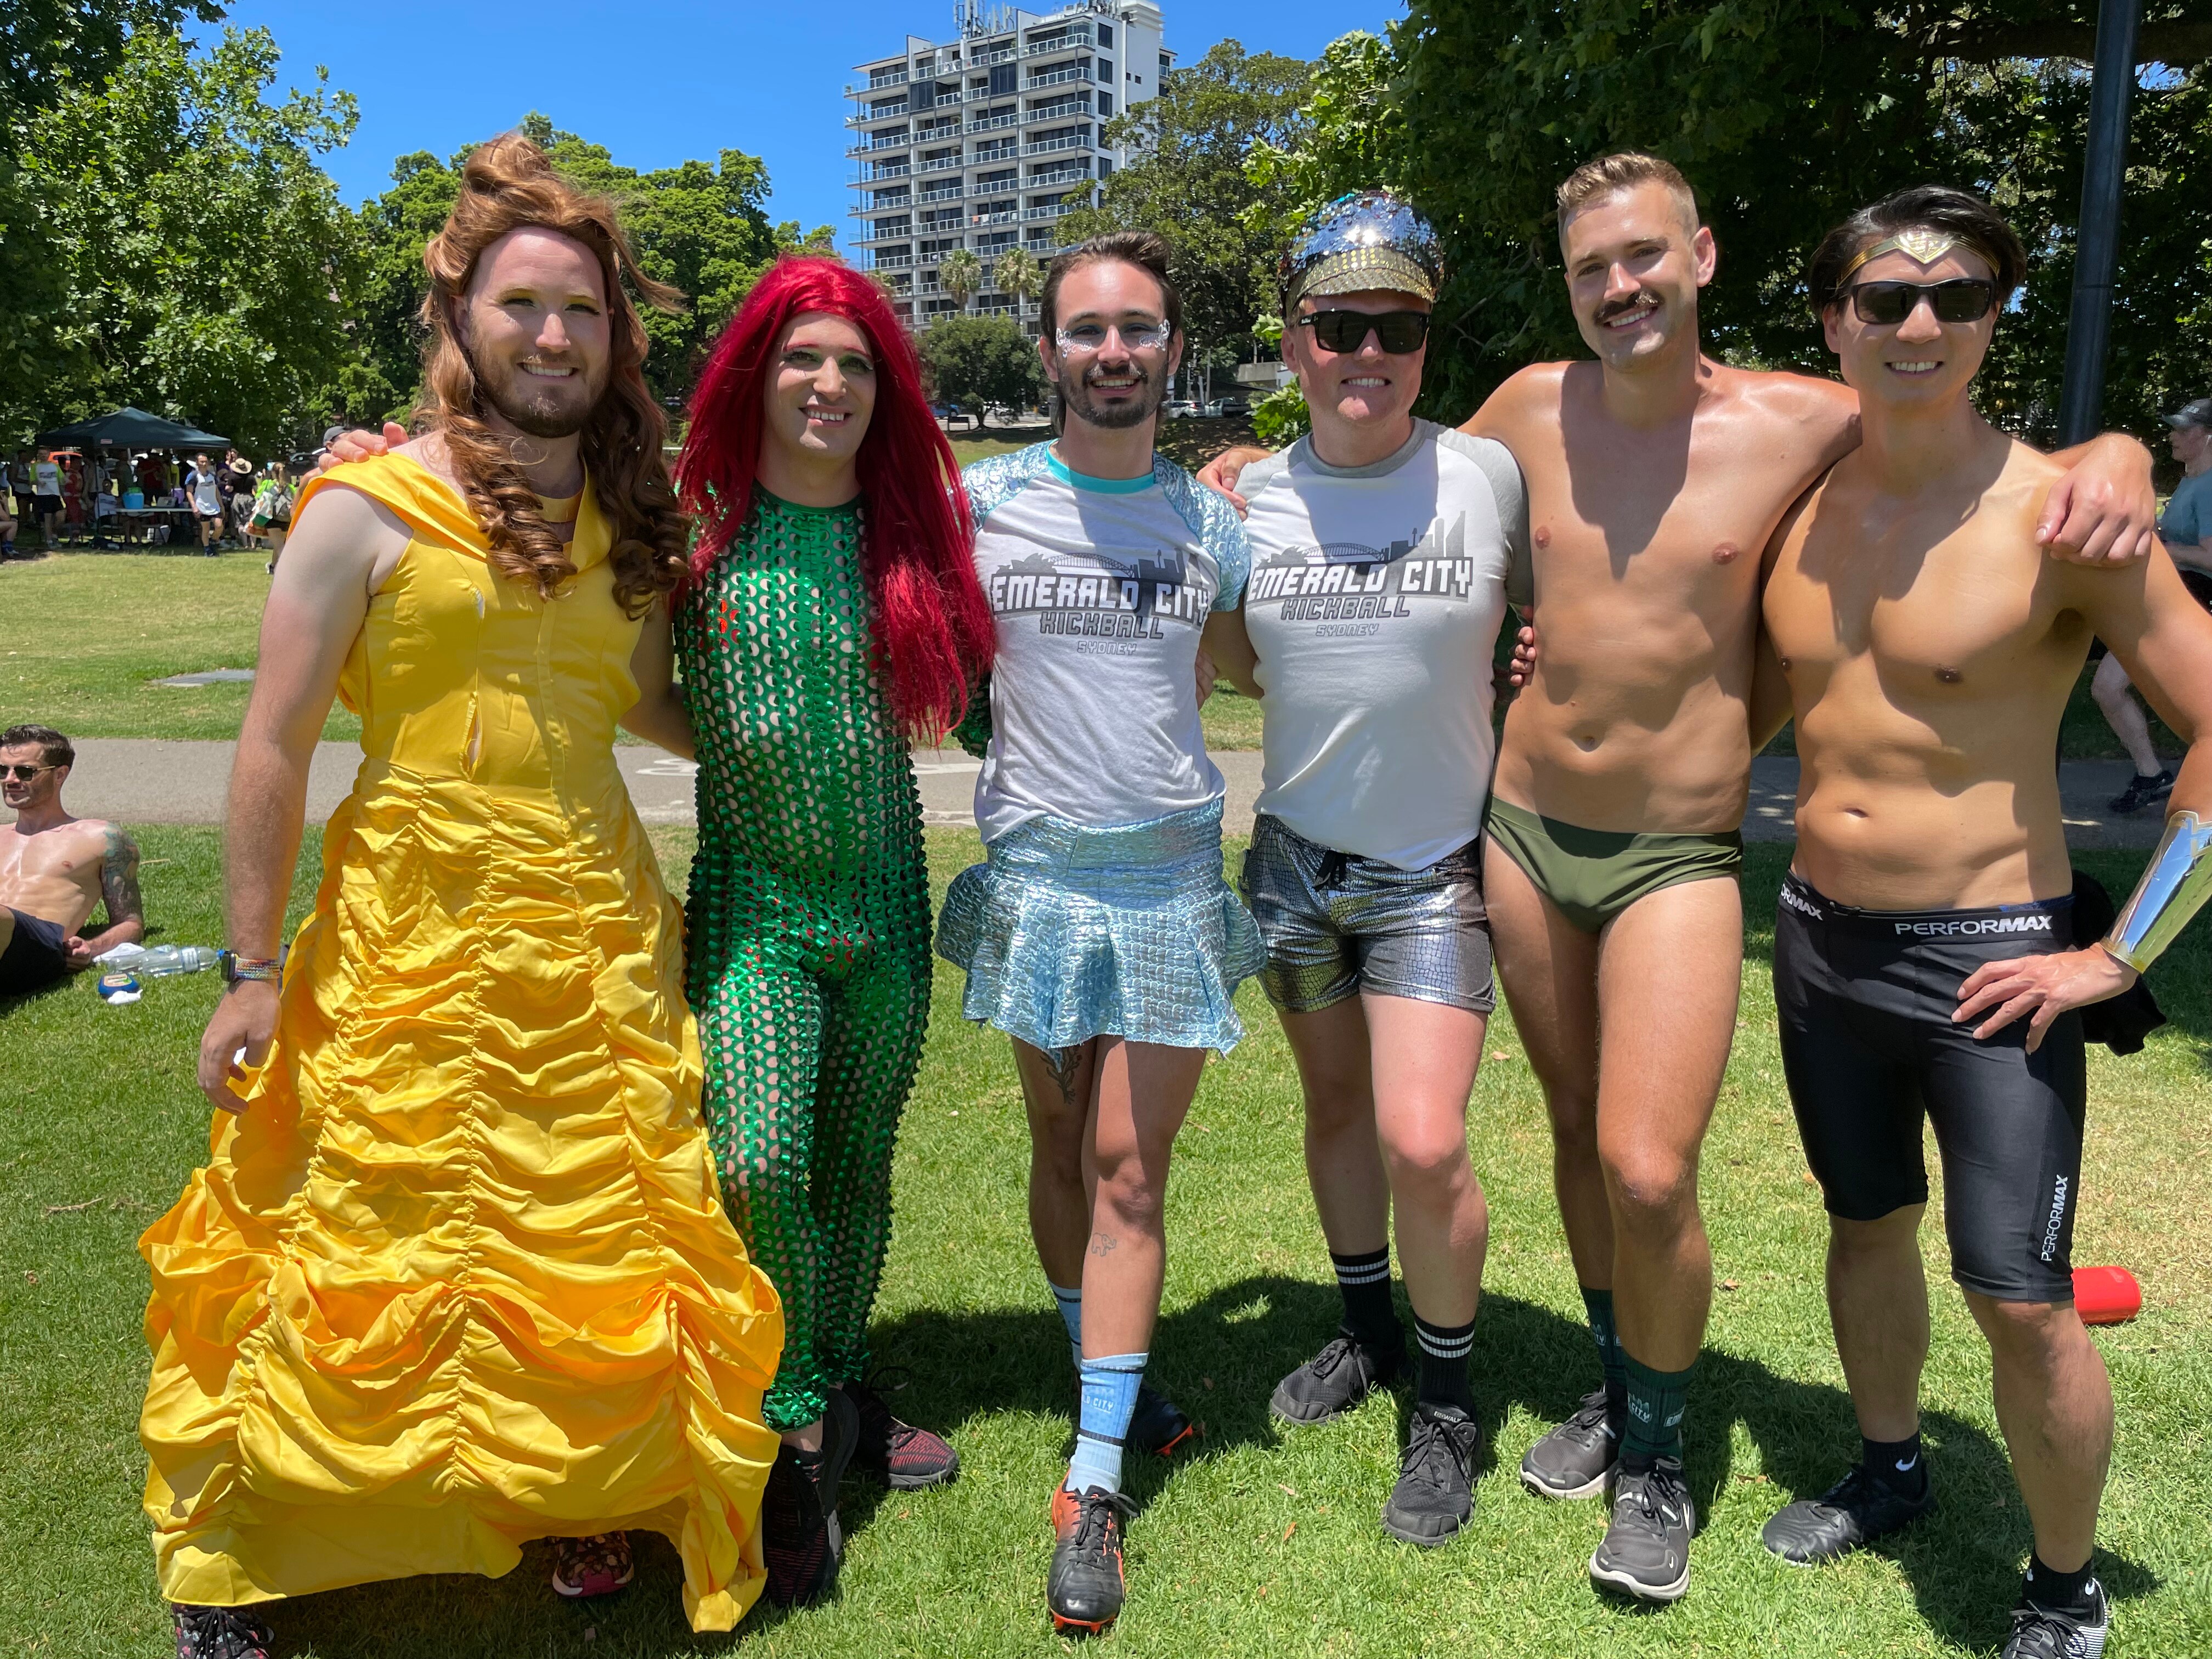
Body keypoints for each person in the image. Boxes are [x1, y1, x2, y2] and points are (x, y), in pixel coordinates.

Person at [1199, 150, 2157, 1605]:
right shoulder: (1521, 410)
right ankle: (1612, 1382)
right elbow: (1385, 472)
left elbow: (1952, 426)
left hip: (1678, 851)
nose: (1622, 286)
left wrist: (2119, 453)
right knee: (1581, 1135)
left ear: (1702, 256)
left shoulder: (1809, 417)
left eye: (1646, 256)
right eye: (1594, 268)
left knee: (1651, 1168)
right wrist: (1233, 474)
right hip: (1517, 828)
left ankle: (1657, 1454)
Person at [139, 135, 785, 1659]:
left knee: (588, 1232)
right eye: (523, 305)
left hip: (588, 928)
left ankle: (569, 1498)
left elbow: (632, 702)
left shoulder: (626, 523)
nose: (553, 335)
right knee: (355, 1225)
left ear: (619, 334)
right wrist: (246, 964)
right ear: (462, 319)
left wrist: (802, 716)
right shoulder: (358, 508)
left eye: (582, 309)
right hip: (406, 929)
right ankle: (246, 1553)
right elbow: (274, 742)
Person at [1753, 185, 2212, 1659]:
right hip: (1822, 941)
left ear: (1998, 317)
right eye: (1886, 297)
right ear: (1833, 319)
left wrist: (2119, 952)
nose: (1921, 323)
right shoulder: (1795, 498)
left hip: (1990, 960)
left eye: (1961, 296)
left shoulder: (2066, 512)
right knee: (1864, 1225)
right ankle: (1891, 1464)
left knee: (2019, 1295)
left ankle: (2065, 1584)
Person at [938, 230, 1259, 1635]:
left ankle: (1094, 1485)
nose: (1113, 352)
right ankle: (1111, 1377)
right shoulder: (979, 502)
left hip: (1175, 880)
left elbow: (1295, 645)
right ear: (1051, 349)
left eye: (1139, 329)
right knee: (1061, 1145)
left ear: (1173, 348)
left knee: (1130, 1163)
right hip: (1040, 883)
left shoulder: (1217, 523)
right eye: (1087, 331)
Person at [1198, 193, 1530, 1547]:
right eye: (1339, 324)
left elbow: (1555, 619)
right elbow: (1230, 658)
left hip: (1432, 870)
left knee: (1424, 1136)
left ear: (1426, 340)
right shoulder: (1248, 496)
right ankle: (1366, 1329)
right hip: (1291, 861)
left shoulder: (1492, 473)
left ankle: (1445, 1401)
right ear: (1293, 339)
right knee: (1337, 1115)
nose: (1367, 351)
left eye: (1395, 326)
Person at [669, 257, 995, 1602]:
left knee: (857, 1166)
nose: (830, 384)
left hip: (884, 905)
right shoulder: (689, 530)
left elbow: (989, 706)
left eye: (857, 365)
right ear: (759, 373)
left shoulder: (912, 535)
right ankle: (792, 1425)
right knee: (757, 1156)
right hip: (758, 912)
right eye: (805, 358)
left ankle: (843, 1387)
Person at [2094, 396, 2212, 812]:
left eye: (2184, 429)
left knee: (2110, 687)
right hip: (2170, 598)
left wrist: (2159, 547)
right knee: (2108, 688)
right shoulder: (2189, 480)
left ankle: (2162, 779)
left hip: (2195, 602)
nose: (2173, 436)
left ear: (2208, 436)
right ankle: (2152, 775)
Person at [1, 724, 144, 998]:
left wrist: (92, 948)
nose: (10, 779)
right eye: (2, 770)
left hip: (41, 944)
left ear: (60, 775)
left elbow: (131, 922)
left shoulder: (100, 837)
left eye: (24, 772)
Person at [249, 461, 295, 572]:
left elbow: (259, 497)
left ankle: (288, 568)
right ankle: (273, 567)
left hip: (272, 518)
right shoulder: (290, 487)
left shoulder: (268, 484)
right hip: (286, 519)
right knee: (278, 545)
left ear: (273, 473)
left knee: (279, 546)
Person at [183, 453, 224, 554]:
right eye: (202, 462)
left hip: (214, 505)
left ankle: (213, 541)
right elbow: (189, 492)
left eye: (206, 461)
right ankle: (208, 550)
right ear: (197, 463)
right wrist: (194, 506)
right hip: (201, 506)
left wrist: (221, 504)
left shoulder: (212, 476)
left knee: (219, 526)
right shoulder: (193, 476)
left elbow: (216, 491)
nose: (205, 464)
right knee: (205, 529)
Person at [33, 450, 65, 547]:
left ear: (49, 455)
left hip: (55, 494)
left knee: (61, 516)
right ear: (38, 455)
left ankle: (54, 534)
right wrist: (38, 482)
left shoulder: (55, 466)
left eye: (45, 454)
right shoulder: (35, 466)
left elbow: (62, 479)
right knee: (48, 518)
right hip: (43, 495)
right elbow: (31, 481)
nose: (43, 456)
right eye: (41, 454)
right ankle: (49, 541)